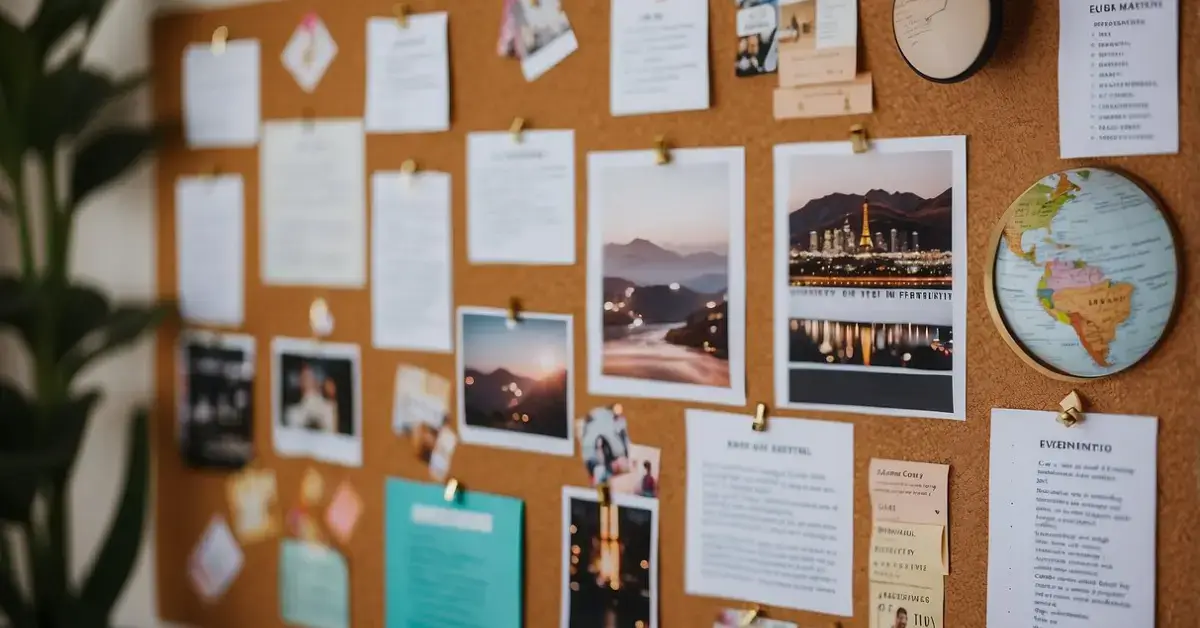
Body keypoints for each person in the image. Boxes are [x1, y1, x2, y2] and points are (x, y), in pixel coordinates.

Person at [284, 364, 337, 433]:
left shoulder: (328, 407)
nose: (305, 380)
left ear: (317, 382)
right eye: (302, 377)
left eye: (308, 377)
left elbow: (331, 433)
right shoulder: (291, 412)